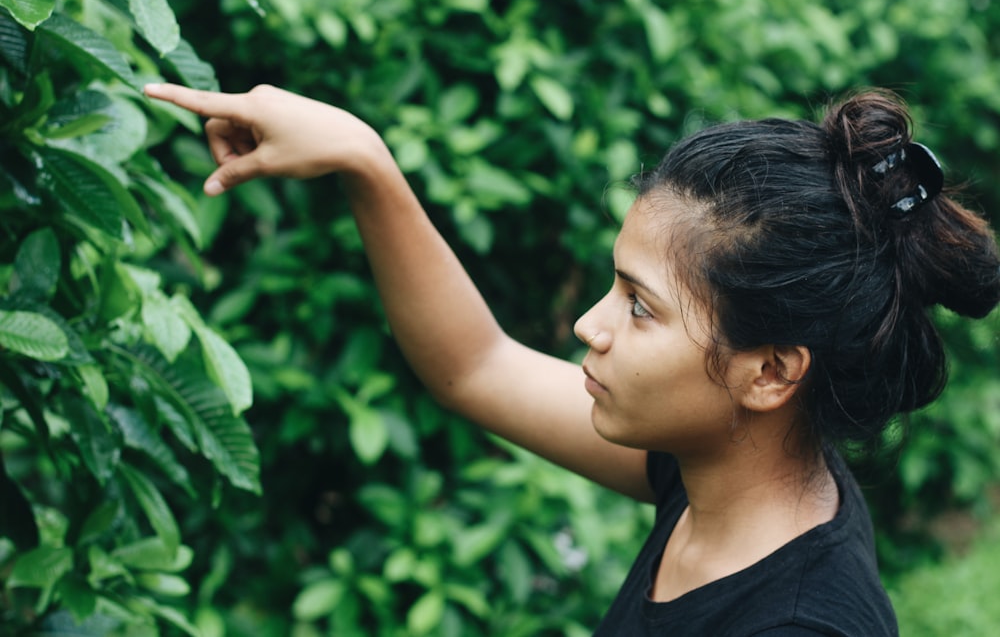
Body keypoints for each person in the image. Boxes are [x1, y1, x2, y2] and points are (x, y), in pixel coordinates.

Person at [144, 82, 1000, 635]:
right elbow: (476, 366)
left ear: (770, 371)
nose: (592, 325)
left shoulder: (803, 623)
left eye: (640, 305)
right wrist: (364, 160)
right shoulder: (716, 474)